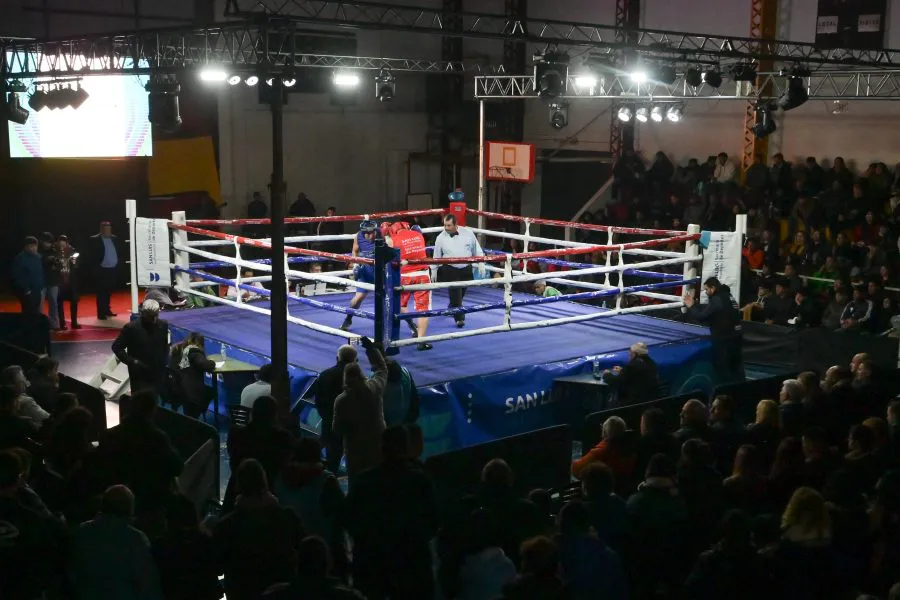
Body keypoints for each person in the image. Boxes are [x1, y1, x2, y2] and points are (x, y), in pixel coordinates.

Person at [345, 426, 439, 600]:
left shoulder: (363, 482)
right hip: (412, 568)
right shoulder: (420, 482)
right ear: (407, 448)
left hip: (373, 568)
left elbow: (350, 521)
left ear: (381, 449)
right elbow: (433, 523)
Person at [214, 459, 307, 600]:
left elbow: (218, 565)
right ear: (265, 483)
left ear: (238, 486)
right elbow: (304, 551)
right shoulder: (288, 517)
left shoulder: (227, 525)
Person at [69, 484, 164, 600]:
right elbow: (148, 585)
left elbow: (72, 575)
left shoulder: (82, 531)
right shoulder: (135, 539)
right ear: (130, 509)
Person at [333, 339, 388, 480]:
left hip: (354, 446)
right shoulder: (374, 388)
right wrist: (371, 350)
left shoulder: (341, 400)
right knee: (377, 477)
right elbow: (382, 369)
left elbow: (338, 428)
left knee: (356, 480)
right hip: (377, 440)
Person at [683, 277, 744, 383]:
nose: (706, 292)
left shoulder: (717, 299)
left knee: (722, 368)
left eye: (707, 289)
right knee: (736, 367)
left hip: (724, 338)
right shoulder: (728, 296)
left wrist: (691, 306)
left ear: (713, 288)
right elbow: (715, 313)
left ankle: (723, 392)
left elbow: (702, 316)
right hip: (736, 336)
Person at [385, 221, 433, 351]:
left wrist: (387, 237)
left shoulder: (392, 239)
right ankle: (421, 341)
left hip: (404, 277)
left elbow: (386, 257)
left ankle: (401, 334)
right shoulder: (418, 235)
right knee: (423, 309)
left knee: (399, 306)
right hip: (422, 275)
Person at [432, 212, 485, 328]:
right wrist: (434, 270)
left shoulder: (468, 233)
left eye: (449, 225)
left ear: (456, 224)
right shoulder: (440, 237)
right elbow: (436, 255)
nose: (446, 228)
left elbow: (477, 249)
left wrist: (481, 262)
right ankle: (459, 319)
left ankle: (452, 307)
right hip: (449, 269)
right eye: (445, 225)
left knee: (461, 293)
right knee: (456, 293)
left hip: (465, 268)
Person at [312, 346, 358, 473]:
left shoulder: (325, 374)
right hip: (350, 422)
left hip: (329, 418)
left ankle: (330, 475)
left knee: (332, 451)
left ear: (337, 358)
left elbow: (318, 399)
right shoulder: (358, 379)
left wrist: (326, 416)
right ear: (355, 360)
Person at [112, 299, 170, 398]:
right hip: (140, 375)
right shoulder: (131, 328)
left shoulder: (163, 325)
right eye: (151, 316)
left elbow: (165, 345)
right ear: (143, 313)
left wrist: (164, 362)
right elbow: (117, 347)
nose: (154, 319)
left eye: (155, 315)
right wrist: (132, 361)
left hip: (158, 373)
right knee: (141, 403)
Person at [340, 220, 380, 332]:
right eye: (368, 233)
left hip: (380, 271)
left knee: (390, 298)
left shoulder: (382, 236)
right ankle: (348, 319)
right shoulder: (358, 236)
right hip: (365, 271)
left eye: (373, 232)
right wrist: (356, 264)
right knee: (357, 299)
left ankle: (410, 324)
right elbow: (354, 252)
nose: (371, 235)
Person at [172, 333, 216, 419]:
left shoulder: (179, 349)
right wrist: (212, 363)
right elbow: (204, 364)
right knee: (211, 391)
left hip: (178, 386)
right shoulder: (194, 351)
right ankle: (199, 410)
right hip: (191, 392)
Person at [89, 221, 122, 320]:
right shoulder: (94, 239)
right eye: (106, 228)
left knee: (108, 292)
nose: (108, 229)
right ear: (101, 229)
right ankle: (100, 313)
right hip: (101, 270)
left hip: (112, 270)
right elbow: (91, 256)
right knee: (101, 292)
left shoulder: (114, 238)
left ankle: (107, 310)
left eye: (109, 227)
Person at [11, 236, 44, 315]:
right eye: (31, 246)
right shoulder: (19, 258)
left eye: (35, 246)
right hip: (27, 292)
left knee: (36, 312)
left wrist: (42, 286)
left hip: (38, 290)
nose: (33, 248)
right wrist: (26, 290)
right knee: (28, 313)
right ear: (25, 246)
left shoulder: (39, 257)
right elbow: (17, 276)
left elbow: (42, 272)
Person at [54, 234, 81, 329]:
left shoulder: (72, 251)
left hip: (70, 281)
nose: (62, 245)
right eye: (60, 242)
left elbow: (76, 265)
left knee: (74, 301)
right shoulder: (54, 251)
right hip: (59, 281)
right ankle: (62, 323)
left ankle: (74, 322)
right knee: (59, 303)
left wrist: (74, 262)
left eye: (64, 243)